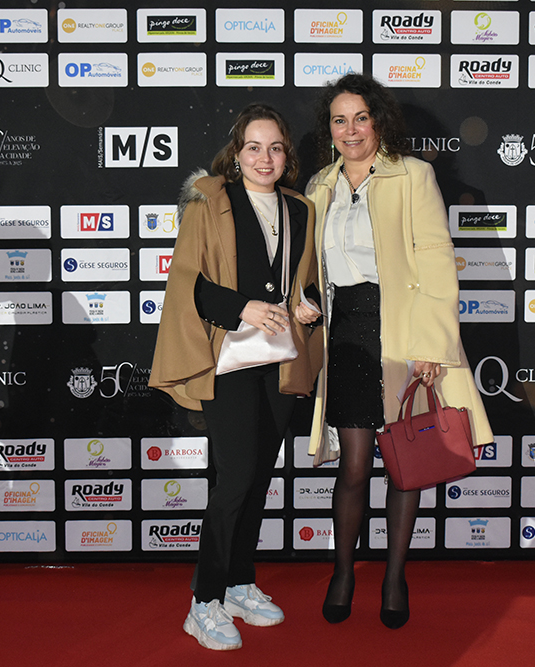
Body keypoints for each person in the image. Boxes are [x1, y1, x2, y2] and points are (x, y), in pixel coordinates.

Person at [305, 74, 494, 629]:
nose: (351, 130)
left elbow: (435, 258)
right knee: (354, 467)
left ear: (378, 121)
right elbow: (310, 267)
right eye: (340, 120)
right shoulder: (320, 184)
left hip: (402, 332)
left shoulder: (413, 174)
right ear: (329, 129)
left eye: (360, 118)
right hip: (345, 335)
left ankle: (393, 577)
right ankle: (343, 573)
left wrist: (430, 344)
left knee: (403, 464)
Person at [149, 103, 323, 651]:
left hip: (280, 359)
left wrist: (307, 305)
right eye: (253, 147)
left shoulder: (300, 208)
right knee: (236, 478)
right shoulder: (211, 201)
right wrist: (242, 306)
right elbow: (190, 284)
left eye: (275, 148)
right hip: (228, 360)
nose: (264, 158)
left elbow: (305, 280)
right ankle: (204, 600)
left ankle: (239, 583)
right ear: (237, 152)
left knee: (259, 478)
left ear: (286, 154)